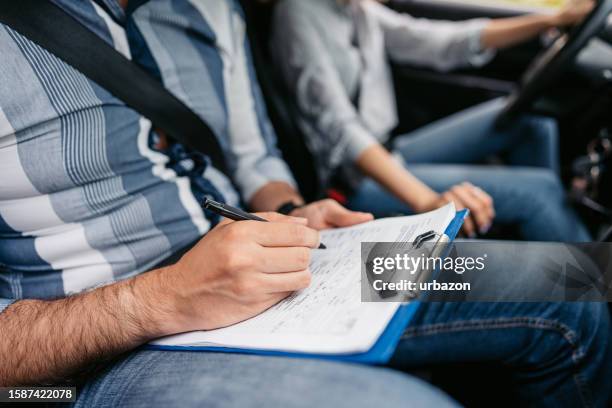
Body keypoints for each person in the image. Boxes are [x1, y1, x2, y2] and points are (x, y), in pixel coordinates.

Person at [0, 1, 611, 407]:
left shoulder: (210, 10)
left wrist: (291, 210)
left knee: (569, 278)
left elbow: (255, 160)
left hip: (287, 267)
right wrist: (156, 298)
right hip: (118, 342)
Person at [270, 0, 594, 242]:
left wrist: (553, 19)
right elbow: (340, 129)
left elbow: (437, 41)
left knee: (531, 120)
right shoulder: (298, 13)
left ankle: (541, 243)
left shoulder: (356, 8)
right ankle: (591, 285)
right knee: (541, 193)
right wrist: (428, 201)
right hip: (355, 179)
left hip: (393, 146)